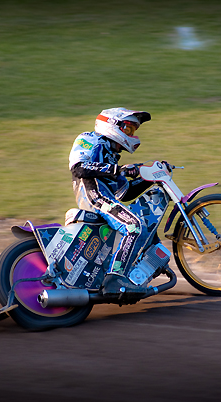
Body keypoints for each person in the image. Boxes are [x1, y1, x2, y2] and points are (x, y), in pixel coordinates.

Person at [68, 107, 156, 298]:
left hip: (105, 197)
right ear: (112, 125)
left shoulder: (112, 156)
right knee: (133, 226)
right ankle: (115, 280)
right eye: (128, 129)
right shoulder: (89, 139)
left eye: (133, 131)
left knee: (137, 221)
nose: (132, 134)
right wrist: (119, 170)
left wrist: (152, 177)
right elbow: (79, 168)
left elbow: (125, 193)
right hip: (94, 195)